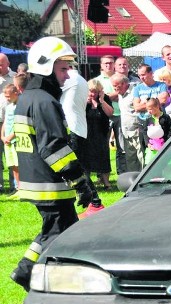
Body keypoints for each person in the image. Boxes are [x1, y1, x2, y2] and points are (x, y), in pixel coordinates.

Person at [10, 37, 93, 291]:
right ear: (45, 67)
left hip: (36, 180)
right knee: (63, 232)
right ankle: (45, 279)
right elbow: (54, 148)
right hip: (49, 184)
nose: (68, 76)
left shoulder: (28, 97)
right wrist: (80, 182)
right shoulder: (45, 102)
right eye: (63, 69)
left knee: (53, 229)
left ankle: (26, 271)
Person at [61, 66, 105, 218]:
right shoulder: (78, 80)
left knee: (76, 168)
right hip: (78, 130)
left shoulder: (71, 80)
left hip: (73, 130)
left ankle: (95, 202)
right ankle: (94, 202)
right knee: (80, 168)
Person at [84, 79, 114, 189]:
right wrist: (85, 103)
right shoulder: (83, 100)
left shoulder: (104, 99)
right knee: (86, 157)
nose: (93, 94)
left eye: (95, 91)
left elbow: (110, 113)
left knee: (103, 156)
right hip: (86, 133)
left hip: (101, 132)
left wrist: (101, 101)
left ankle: (106, 182)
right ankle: (87, 182)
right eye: (91, 91)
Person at [111, 73, 143, 172]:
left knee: (140, 157)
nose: (115, 88)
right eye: (113, 86)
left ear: (125, 83)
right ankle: (133, 180)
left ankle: (143, 179)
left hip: (137, 130)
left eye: (116, 85)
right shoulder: (121, 94)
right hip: (126, 131)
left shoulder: (135, 92)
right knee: (130, 158)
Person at [0, 53, 16, 194]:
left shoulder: (15, 78)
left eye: (1, 64)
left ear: (8, 63)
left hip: (10, 121)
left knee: (13, 157)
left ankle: (14, 185)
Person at [1, 84, 20, 199]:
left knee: (19, 165)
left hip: (15, 140)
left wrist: (11, 137)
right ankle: (17, 187)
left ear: (15, 93)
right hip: (7, 140)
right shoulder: (8, 107)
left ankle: (22, 188)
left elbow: (19, 124)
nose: (7, 99)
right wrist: (3, 136)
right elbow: (4, 123)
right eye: (5, 97)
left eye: (8, 96)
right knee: (12, 165)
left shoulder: (19, 107)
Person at [144, 98, 171, 165]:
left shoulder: (166, 117)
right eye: (147, 109)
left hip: (163, 146)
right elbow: (145, 131)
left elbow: (170, 130)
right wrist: (147, 143)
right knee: (151, 165)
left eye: (150, 109)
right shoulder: (148, 119)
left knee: (164, 164)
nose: (149, 111)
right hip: (152, 148)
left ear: (157, 107)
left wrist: (167, 142)